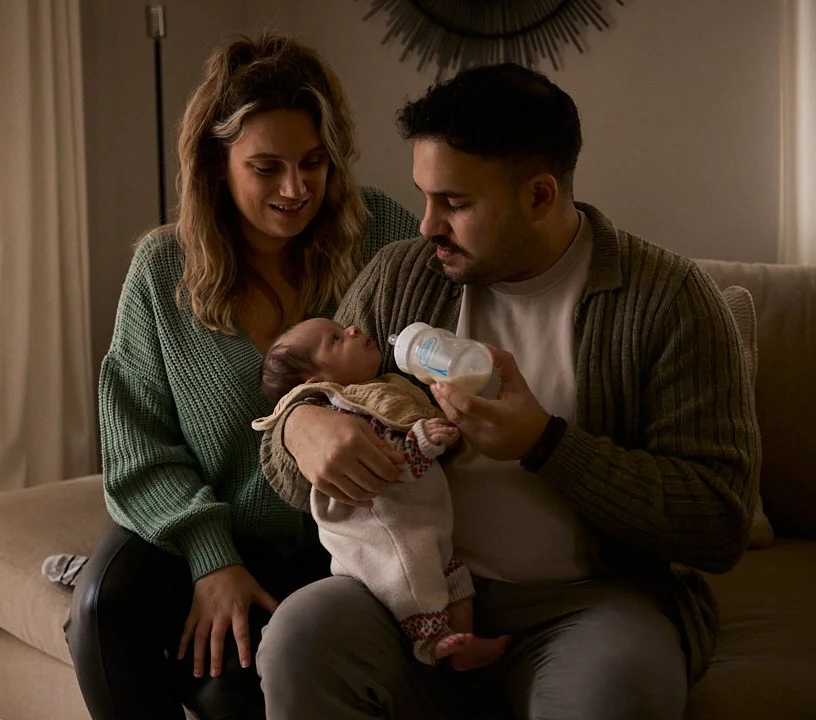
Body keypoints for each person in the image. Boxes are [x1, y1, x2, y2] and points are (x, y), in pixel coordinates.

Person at [254, 63, 761, 719]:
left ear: (540, 196)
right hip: (413, 597)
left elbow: (719, 522)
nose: (427, 225)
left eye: (455, 203)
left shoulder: (669, 302)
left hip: (591, 604)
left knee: (615, 693)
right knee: (299, 638)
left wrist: (545, 444)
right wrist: (300, 426)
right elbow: (286, 459)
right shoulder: (402, 276)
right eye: (425, 196)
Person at [62, 33, 420, 720]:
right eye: (267, 167)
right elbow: (138, 446)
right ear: (215, 165)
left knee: (234, 691)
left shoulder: (379, 236)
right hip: (206, 523)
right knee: (102, 609)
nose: (296, 189)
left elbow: (433, 364)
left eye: (313, 162)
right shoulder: (162, 270)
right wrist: (213, 560)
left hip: (336, 543)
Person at [253, 317, 512, 669]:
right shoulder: (344, 413)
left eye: (343, 327)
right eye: (336, 339)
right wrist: (422, 442)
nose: (353, 329)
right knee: (412, 580)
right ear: (316, 382)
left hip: (422, 522)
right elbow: (387, 464)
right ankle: (429, 640)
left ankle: (464, 644)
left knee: (452, 575)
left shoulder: (381, 390)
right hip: (386, 533)